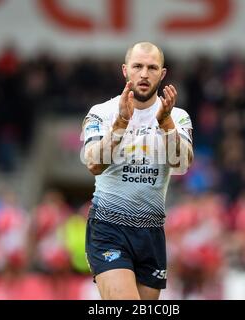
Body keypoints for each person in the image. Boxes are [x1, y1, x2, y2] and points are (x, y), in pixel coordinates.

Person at [82, 42, 194, 300]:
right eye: (138, 66)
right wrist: (121, 123)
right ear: (125, 70)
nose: (144, 74)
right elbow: (93, 164)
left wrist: (165, 123)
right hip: (109, 227)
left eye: (152, 67)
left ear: (162, 74)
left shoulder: (178, 116)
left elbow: (182, 164)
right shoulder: (102, 113)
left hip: (151, 231)